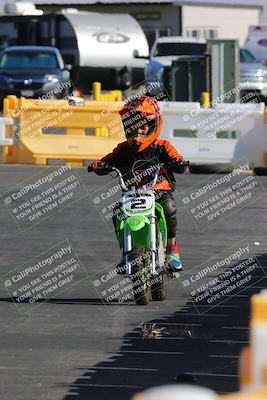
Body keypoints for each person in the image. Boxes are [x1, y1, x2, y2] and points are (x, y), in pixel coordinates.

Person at [90, 96, 187, 271]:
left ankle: (172, 248)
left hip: (159, 191)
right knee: (117, 213)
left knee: (169, 207)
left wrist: (179, 163)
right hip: (132, 194)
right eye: (133, 127)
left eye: (143, 126)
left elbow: (177, 159)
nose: (138, 131)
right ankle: (127, 253)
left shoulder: (163, 146)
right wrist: (99, 165)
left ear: (153, 125)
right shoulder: (123, 149)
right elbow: (105, 162)